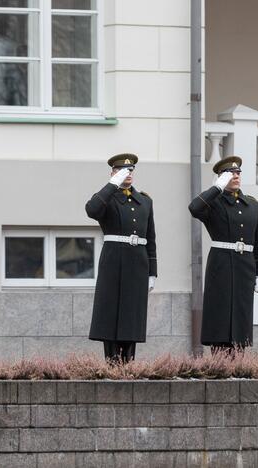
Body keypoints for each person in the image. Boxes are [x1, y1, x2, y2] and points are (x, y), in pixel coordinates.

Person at [188, 156, 258, 355]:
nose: (236, 176)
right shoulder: (213, 203)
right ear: (221, 177)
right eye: (230, 173)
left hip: (245, 268)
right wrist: (217, 188)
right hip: (220, 266)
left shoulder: (252, 204)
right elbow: (194, 208)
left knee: (241, 317)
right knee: (220, 316)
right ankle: (219, 364)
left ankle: (238, 364)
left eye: (238, 173)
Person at [86, 153, 157, 363]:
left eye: (130, 170)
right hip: (114, 263)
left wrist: (153, 271)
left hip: (138, 265)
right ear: (113, 173)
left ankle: (129, 365)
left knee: (131, 318)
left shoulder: (144, 201)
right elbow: (92, 209)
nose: (127, 174)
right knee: (111, 316)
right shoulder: (107, 199)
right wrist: (111, 185)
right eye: (122, 170)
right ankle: (112, 364)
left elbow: (150, 238)